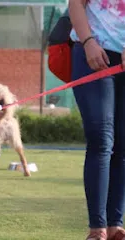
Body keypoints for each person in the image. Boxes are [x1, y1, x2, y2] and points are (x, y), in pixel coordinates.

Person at [69, 0, 125, 239]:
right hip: (93, 53)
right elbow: (76, 3)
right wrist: (89, 42)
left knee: (123, 144)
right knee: (102, 139)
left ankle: (116, 226)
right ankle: (97, 229)